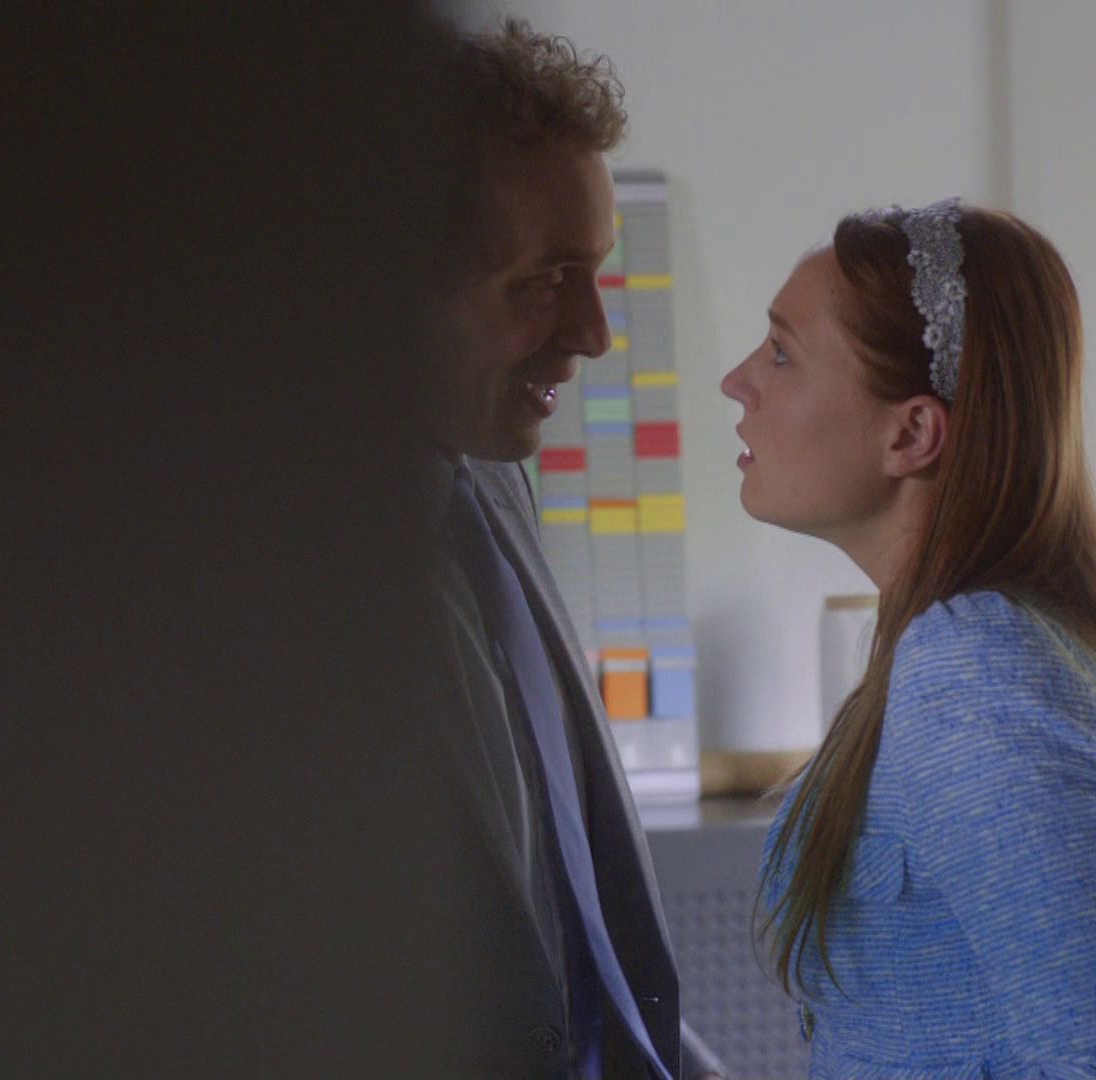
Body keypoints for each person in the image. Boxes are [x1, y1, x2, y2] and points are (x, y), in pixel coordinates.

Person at [718, 199, 1096, 1076]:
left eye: (782, 353)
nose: (738, 382)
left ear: (911, 432)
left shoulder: (977, 670)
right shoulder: (987, 644)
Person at [421, 19, 726, 1080]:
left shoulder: (494, 484)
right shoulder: (269, 576)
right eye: (550, 280)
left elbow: (580, 933)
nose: (595, 334)